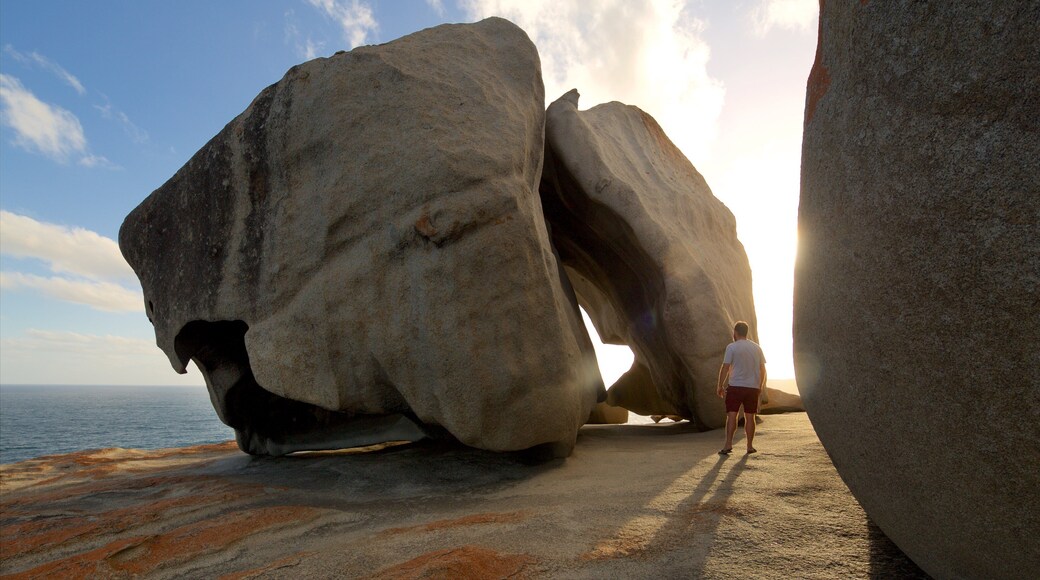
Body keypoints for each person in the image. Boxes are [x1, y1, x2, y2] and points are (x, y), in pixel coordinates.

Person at [715, 321, 767, 455]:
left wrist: (720, 385)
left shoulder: (732, 347)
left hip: (736, 387)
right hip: (752, 388)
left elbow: (725, 367)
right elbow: (762, 369)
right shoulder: (756, 348)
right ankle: (749, 446)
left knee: (732, 415)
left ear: (735, 332)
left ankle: (728, 445)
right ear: (746, 332)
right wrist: (759, 387)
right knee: (750, 417)